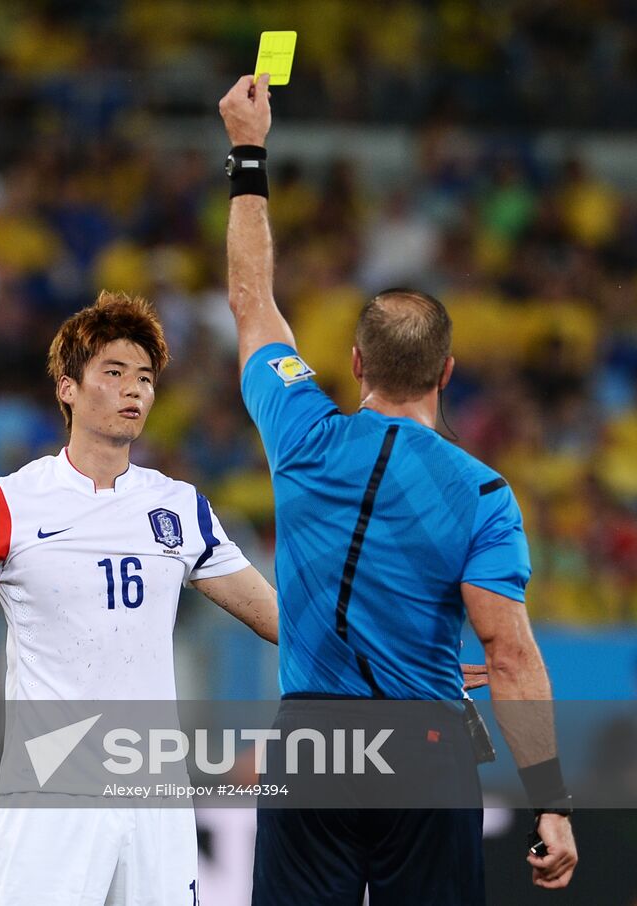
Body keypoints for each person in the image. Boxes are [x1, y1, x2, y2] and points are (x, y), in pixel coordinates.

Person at [215, 74, 579, 903]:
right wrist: (550, 806)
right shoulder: (484, 496)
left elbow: (250, 303)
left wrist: (247, 154)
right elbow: (512, 655)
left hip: (309, 745)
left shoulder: (301, 430)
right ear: (448, 372)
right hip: (424, 747)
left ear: (353, 364)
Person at [0, 292, 280, 904]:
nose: (133, 391)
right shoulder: (6, 504)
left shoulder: (180, 507)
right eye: (113, 374)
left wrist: (409, 664)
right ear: (67, 387)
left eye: (144, 378)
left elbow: (278, 619)